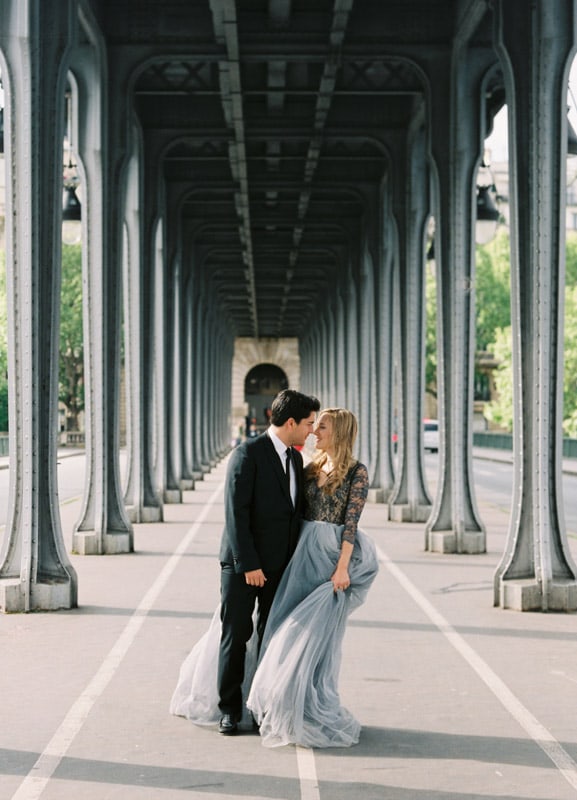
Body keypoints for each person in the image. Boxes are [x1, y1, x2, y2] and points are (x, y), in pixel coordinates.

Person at [170, 389, 320, 735]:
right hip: (243, 566)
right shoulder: (247, 454)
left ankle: (262, 706)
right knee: (236, 634)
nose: (311, 430)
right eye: (309, 423)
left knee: (271, 636)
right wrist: (248, 564)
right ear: (292, 422)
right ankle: (229, 709)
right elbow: (235, 513)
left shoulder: (296, 460)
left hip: (280, 566)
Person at [246, 407, 379, 747]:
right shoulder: (310, 467)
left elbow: (352, 524)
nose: (315, 432)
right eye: (314, 425)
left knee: (317, 636)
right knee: (286, 626)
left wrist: (342, 567)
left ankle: (308, 705)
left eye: (322, 427)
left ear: (340, 432)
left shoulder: (356, 472)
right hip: (299, 553)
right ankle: (280, 698)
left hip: (329, 557)